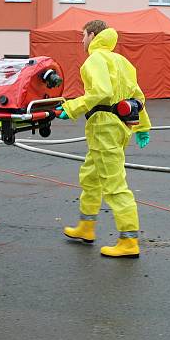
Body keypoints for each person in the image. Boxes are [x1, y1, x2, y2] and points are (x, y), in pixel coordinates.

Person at [55, 20, 151, 258]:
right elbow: (137, 97)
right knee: (91, 177)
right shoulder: (123, 61)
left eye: (83, 35)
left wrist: (72, 107)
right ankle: (86, 227)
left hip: (103, 127)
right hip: (118, 126)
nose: (81, 40)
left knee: (114, 184)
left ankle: (128, 241)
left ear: (93, 34)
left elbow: (101, 92)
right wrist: (143, 127)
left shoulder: (95, 59)